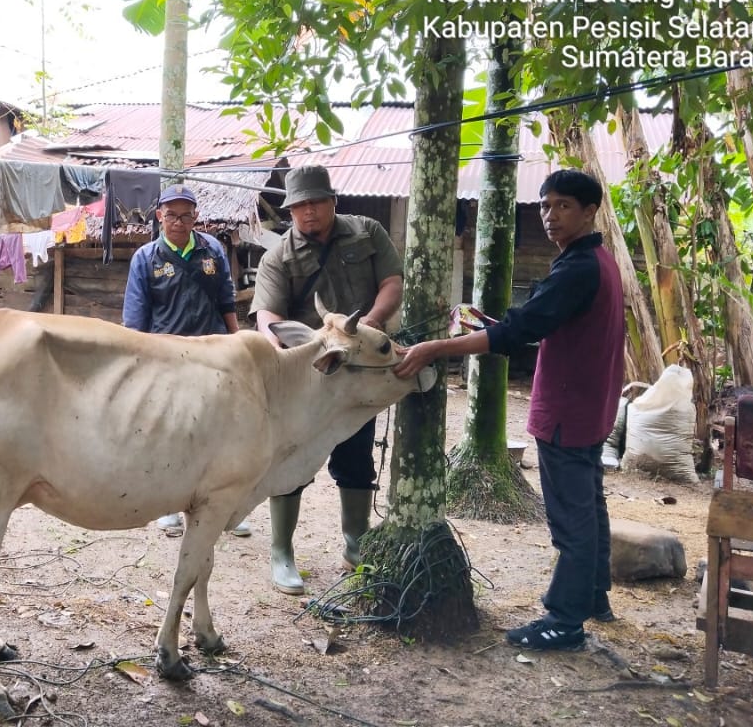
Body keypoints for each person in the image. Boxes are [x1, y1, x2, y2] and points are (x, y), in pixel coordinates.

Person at [394, 168, 625, 650]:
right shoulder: (595, 261)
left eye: (563, 206)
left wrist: (439, 347)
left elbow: (523, 329)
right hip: (590, 404)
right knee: (590, 507)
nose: (550, 215)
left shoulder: (580, 267)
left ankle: (565, 620)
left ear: (589, 211)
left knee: (571, 518)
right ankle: (594, 596)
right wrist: (498, 327)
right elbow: (538, 323)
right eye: (545, 205)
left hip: (568, 407)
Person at [249, 164, 404, 593]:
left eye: (315, 202)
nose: (307, 212)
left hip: (361, 373)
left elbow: (392, 282)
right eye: (298, 206)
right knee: (291, 460)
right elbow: (267, 315)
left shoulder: (367, 232)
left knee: (356, 456)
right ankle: (282, 553)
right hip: (311, 374)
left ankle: (356, 544)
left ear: (333, 201)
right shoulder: (279, 255)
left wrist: (367, 327)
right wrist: (284, 347)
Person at [122, 183, 251, 538]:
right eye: (171, 215)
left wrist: (237, 341)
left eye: (186, 215)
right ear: (159, 216)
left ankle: (224, 509)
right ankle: (168, 506)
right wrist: (140, 363)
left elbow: (227, 298)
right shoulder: (146, 259)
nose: (179, 221)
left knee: (217, 431)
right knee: (171, 432)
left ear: (196, 217)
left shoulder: (213, 251)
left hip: (212, 356)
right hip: (167, 359)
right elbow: (135, 320)